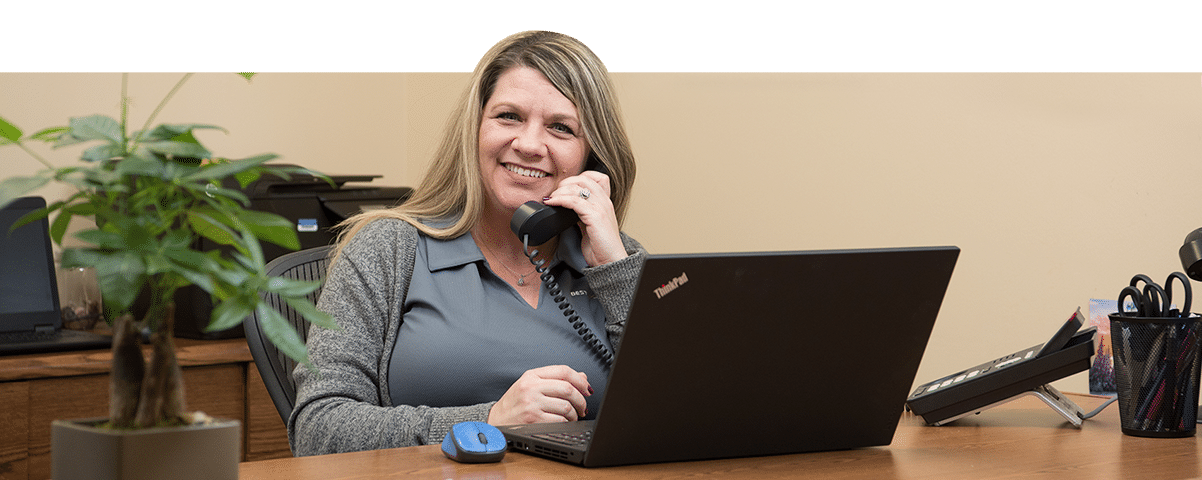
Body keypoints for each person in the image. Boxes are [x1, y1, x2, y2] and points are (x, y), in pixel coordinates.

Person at [289, 30, 647, 456]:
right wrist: (489, 420)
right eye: (509, 116)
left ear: (593, 157)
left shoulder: (618, 262)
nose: (530, 144)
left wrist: (616, 270)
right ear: (475, 128)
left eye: (560, 127)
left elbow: (683, 414)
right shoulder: (387, 249)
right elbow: (316, 430)